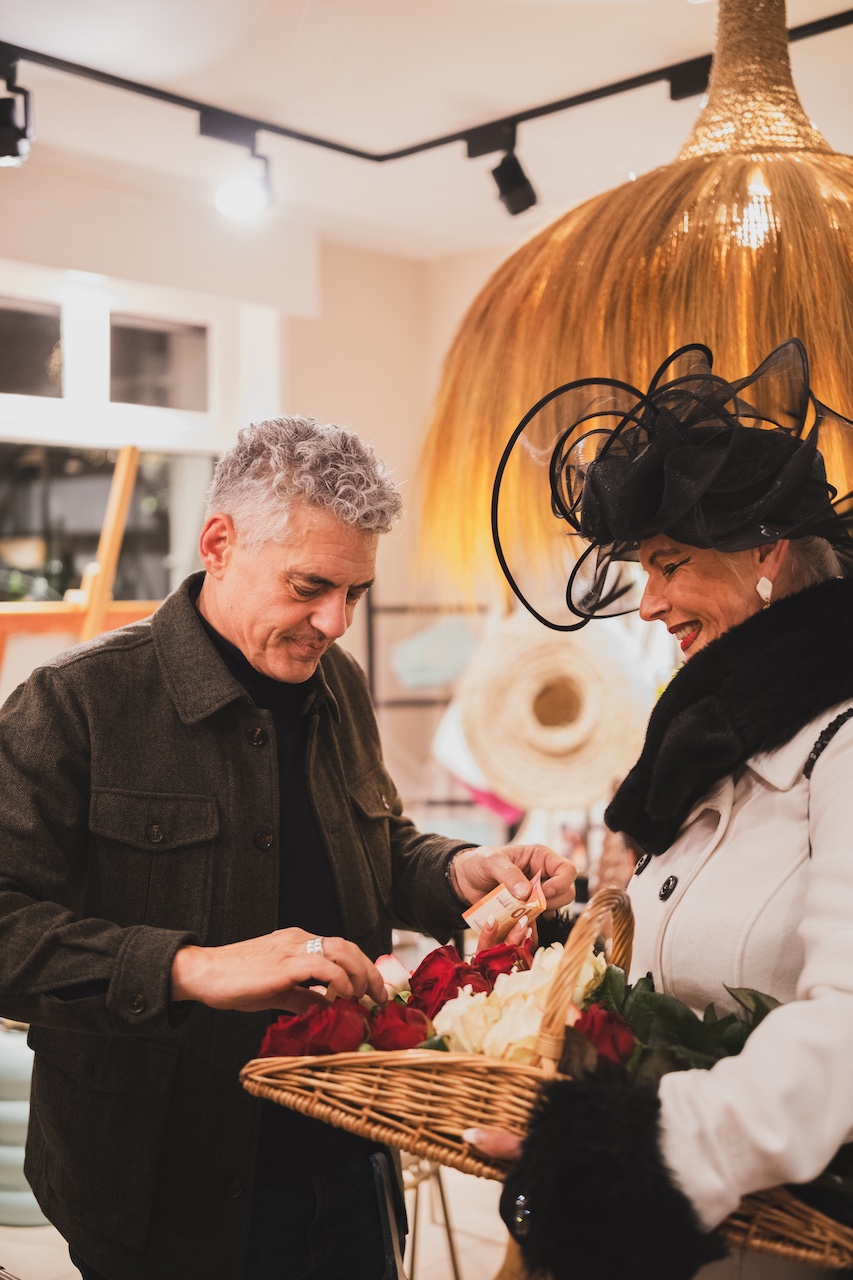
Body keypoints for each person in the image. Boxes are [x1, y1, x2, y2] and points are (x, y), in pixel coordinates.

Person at [0, 415, 575, 1280]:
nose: (336, 621)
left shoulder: (332, 681)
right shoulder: (72, 706)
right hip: (160, 1195)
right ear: (218, 542)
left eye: (356, 592)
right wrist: (190, 968)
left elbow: (373, 847)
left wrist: (460, 871)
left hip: (350, 1155)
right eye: (311, 585)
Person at [474, 339, 853, 1280]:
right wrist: (553, 934)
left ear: (767, 550)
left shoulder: (839, 744)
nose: (647, 604)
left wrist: (642, 1153)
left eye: (670, 564)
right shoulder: (720, 743)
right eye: (642, 569)